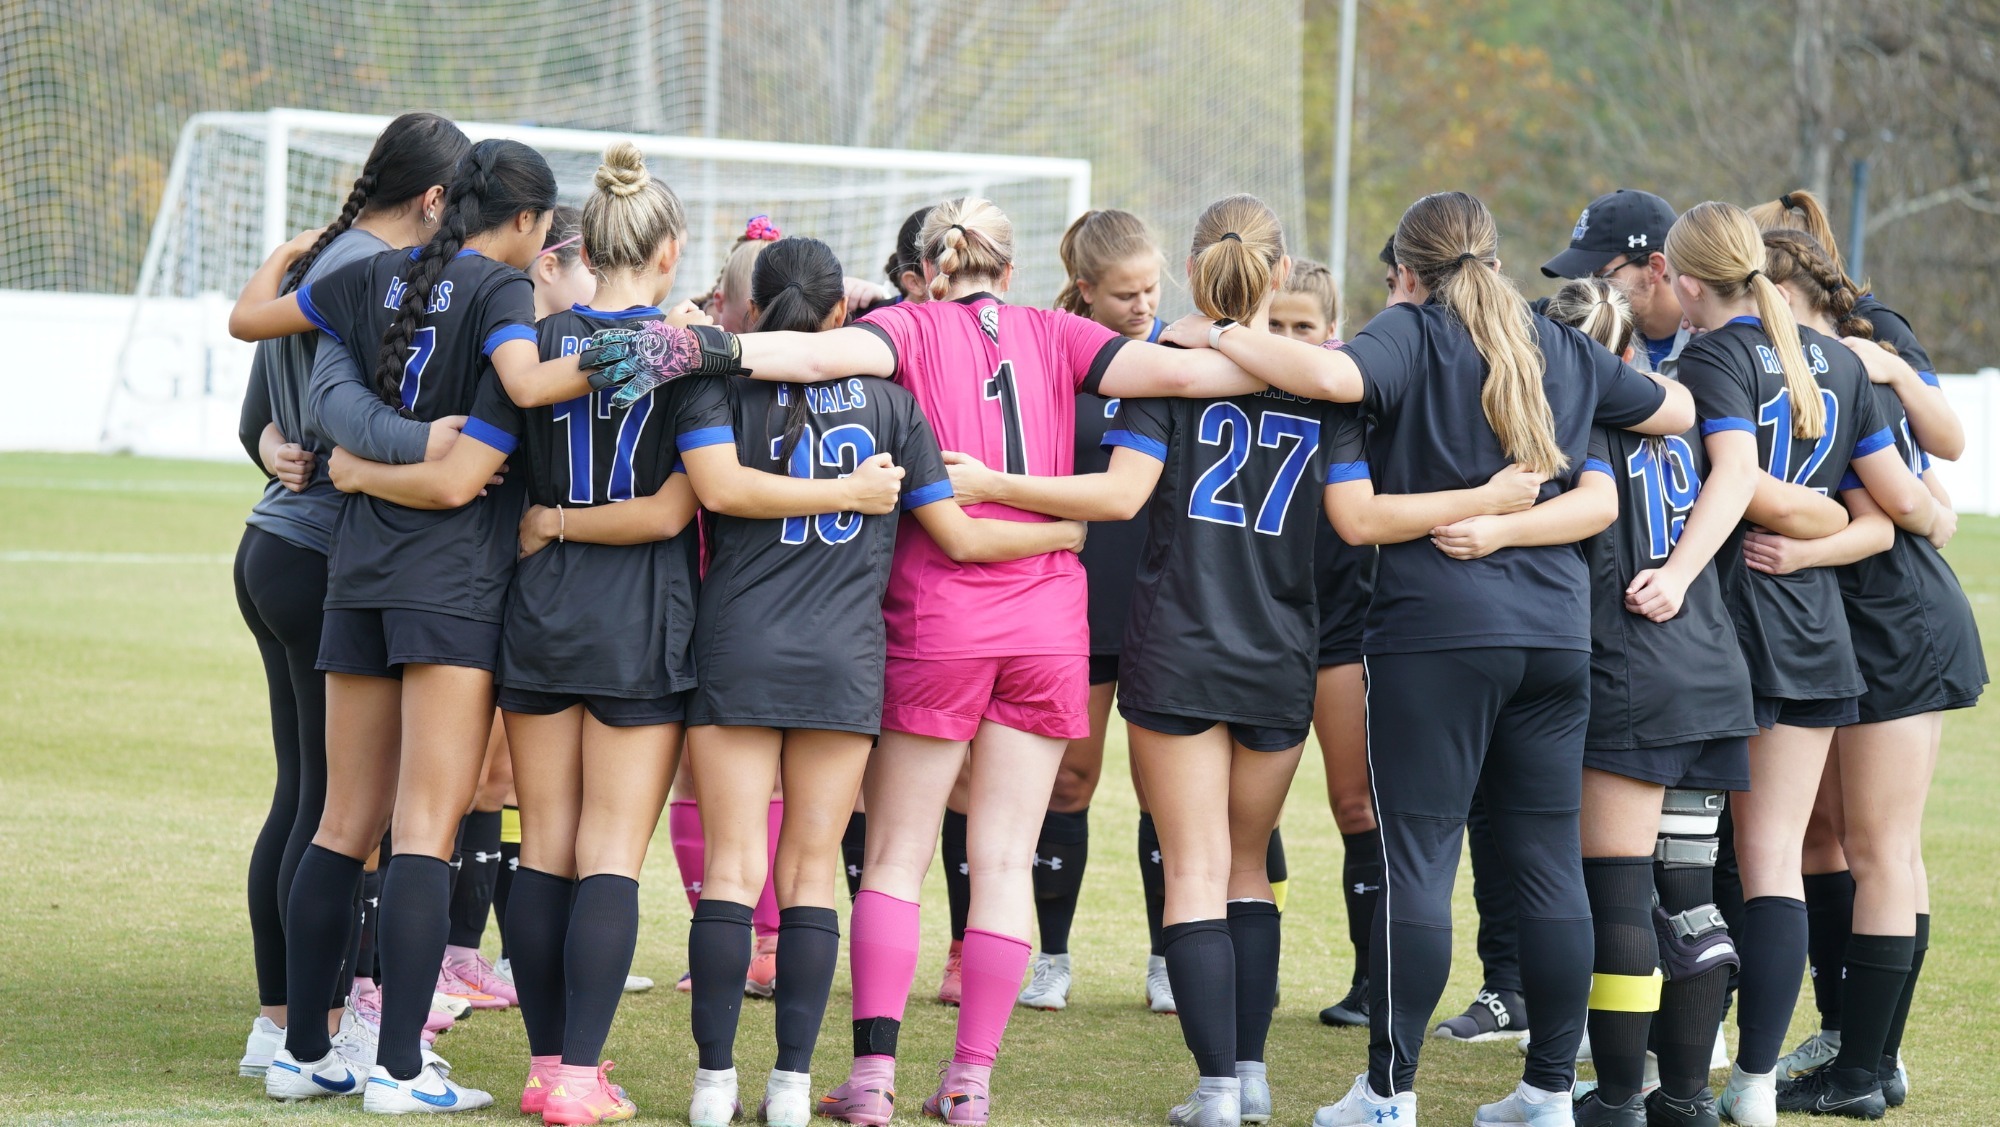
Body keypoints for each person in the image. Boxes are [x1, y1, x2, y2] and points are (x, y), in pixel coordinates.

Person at [566, 194, 1288, 1125]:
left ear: (934, 270)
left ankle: (872, 1077)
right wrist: (1230, 332)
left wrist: (709, 346)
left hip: (937, 618)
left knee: (896, 858)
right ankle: (970, 1079)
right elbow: (1192, 376)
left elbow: (815, 356)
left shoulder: (907, 327)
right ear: (1015, 270)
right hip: (1047, 624)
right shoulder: (1063, 334)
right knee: (1004, 858)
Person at [1165, 190, 1696, 1126]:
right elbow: (1678, 407)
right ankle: (1546, 1090)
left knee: (1418, 861)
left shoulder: (1411, 332)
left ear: (1407, 271)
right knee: (1549, 866)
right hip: (1555, 637)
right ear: (1493, 261)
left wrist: (1215, 332)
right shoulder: (1557, 343)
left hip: (1437, 634)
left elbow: (1328, 378)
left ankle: (1388, 1092)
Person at [679, 235, 1086, 1127]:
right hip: (844, 659)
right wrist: (1062, 533)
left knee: (735, 872)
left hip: (738, 647)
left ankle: (714, 1086)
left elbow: (716, 493)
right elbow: (963, 537)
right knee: (811, 874)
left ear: (750, 311)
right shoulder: (894, 405)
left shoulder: (716, 386)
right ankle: (792, 1088)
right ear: (841, 312)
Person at [950, 195, 1336, 1126]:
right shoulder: (1333, 382)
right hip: (1281, 647)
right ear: (1282, 274)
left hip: (1180, 644)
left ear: (1192, 274)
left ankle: (1215, 1090)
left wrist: (993, 483)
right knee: (1247, 868)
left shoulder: (1166, 375)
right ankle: (1251, 1074)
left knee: (1195, 869)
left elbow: (1121, 498)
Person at [228, 137, 580, 1113]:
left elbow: (266, 335)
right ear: (525, 221)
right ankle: (396, 1068)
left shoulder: (368, 274)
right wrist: (648, 347)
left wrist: (356, 466)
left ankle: (303, 1051)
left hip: (356, 576)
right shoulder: (502, 293)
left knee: (341, 822)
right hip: (450, 588)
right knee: (423, 829)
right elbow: (496, 430)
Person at [1655, 202, 1936, 1127]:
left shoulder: (1712, 355)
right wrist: (1813, 522)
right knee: (1772, 857)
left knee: (1695, 859)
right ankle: (1755, 1085)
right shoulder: (1837, 361)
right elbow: (1873, 514)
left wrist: (1675, 574)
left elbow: (1732, 477)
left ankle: (1666, 1070)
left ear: (1686, 281)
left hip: (1734, 626)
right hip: (1818, 633)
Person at [231, 111, 470, 1081]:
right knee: (338, 810)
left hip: (271, 543)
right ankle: (316, 1025)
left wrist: (271, 449)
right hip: (330, 550)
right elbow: (346, 418)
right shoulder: (376, 275)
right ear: (434, 198)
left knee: (304, 792)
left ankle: (283, 1021)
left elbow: (257, 416)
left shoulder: (312, 260)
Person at [1732, 227, 1984, 1118]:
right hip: (1857, 617)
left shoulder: (1853, 356)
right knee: (1844, 841)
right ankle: (1862, 1050)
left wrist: (1924, 512)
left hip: (1898, 617)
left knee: (1883, 847)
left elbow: (1914, 487)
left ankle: (1864, 1070)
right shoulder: (1802, 367)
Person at [1538, 277, 1773, 1127]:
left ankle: (1618, 1097)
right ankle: (1683, 1097)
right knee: (1690, 892)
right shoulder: (1682, 415)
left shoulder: (1576, 423)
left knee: (1621, 895)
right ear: (1632, 347)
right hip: (1712, 669)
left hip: (1634, 674)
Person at [1012, 206, 1165, 1013]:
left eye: (1152, 289)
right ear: (1085, 289)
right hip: (1078, 603)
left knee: (1165, 791)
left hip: (1167, 604)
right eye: (1126, 294)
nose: (1144, 306)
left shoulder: (1177, 358)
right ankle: (1053, 956)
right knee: (1069, 780)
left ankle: (1167, 958)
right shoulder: (1050, 356)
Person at [1269, 255, 1383, 1032]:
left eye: (1302, 326)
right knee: (1247, 812)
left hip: (1341, 627)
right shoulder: (1227, 391)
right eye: (1274, 324)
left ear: (1332, 332)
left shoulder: (1358, 402)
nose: (1287, 339)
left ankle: (1371, 980)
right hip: (1257, 622)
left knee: (1355, 802)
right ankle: (1252, 969)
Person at [1543, 189, 1690, 374]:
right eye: (1582, 280)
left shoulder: (1717, 337)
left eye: (1601, 276)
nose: (1589, 290)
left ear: (1655, 267)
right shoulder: (1593, 333)